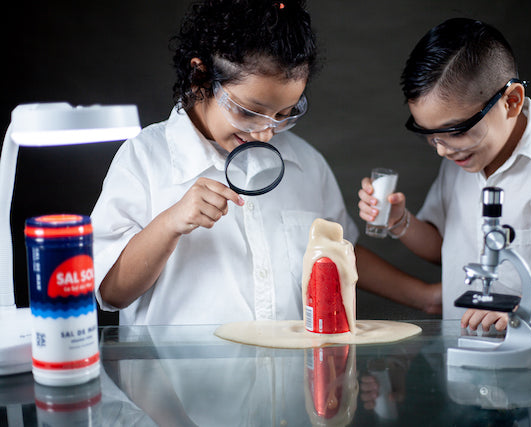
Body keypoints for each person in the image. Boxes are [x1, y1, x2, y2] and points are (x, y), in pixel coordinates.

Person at [92, 0, 440, 325]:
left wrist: (426, 297)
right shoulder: (144, 158)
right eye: (248, 111)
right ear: (200, 76)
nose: (265, 133)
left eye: (284, 115)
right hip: (177, 386)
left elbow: (341, 254)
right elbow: (110, 292)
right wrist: (170, 223)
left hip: (287, 387)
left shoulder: (305, 162)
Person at [358, 18, 531, 331]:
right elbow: (442, 249)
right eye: (430, 135)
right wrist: (398, 219)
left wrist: (529, 304)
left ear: (512, 101)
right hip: (466, 358)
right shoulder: (458, 162)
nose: (441, 150)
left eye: (456, 131)